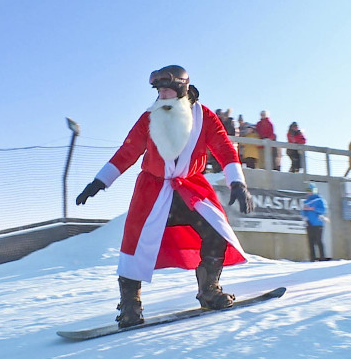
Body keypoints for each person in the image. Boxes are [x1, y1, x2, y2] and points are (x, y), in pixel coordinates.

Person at [76, 65, 254, 328]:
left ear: (182, 89)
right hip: (153, 189)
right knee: (135, 244)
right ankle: (129, 306)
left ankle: (209, 290)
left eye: (168, 90)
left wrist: (237, 182)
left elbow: (224, 149)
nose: (163, 95)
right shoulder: (149, 117)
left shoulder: (204, 117)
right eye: (159, 91)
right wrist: (99, 181)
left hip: (189, 187)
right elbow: (127, 152)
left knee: (216, 230)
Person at [301, 183, 328, 262]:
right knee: (310, 241)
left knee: (319, 241)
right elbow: (303, 212)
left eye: (311, 190)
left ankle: (322, 257)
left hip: (318, 223)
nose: (309, 192)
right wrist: (305, 213)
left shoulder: (320, 200)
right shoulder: (306, 201)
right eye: (308, 190)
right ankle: (312, 258)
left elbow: (323, 210)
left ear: (315, 191)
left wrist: (313, 208)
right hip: (309, 224)